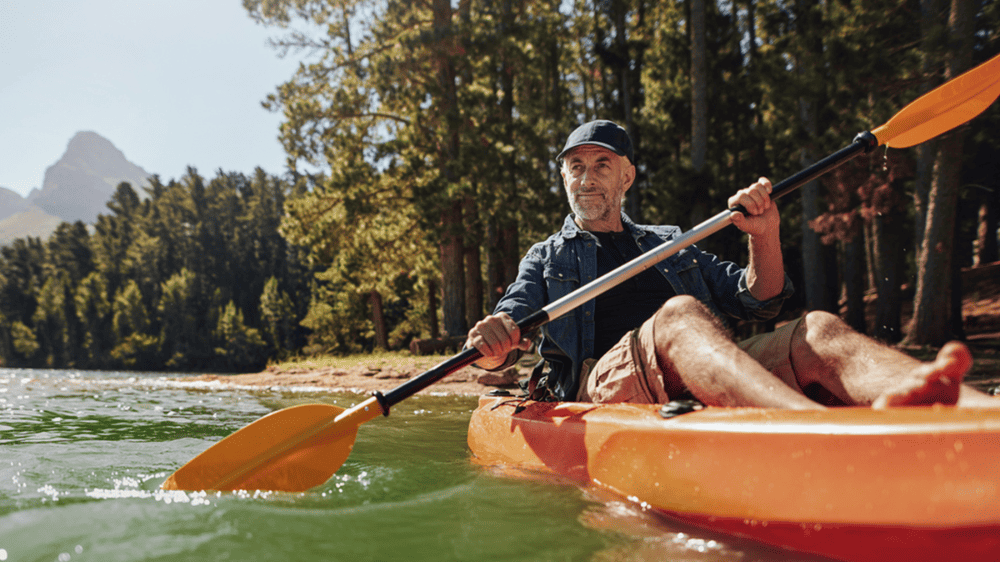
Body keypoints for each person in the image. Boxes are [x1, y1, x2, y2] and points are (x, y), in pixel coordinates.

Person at [466, 119, 997, 409]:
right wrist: (491, 344)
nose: (586, 177)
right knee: (678, 316)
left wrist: (764, 235)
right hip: (603, 384)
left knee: (817, 328)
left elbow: (761, 298)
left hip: (691, 373)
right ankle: (812, 434)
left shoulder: (670, 244)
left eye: (601, 164)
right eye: (576, 167)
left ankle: (975, 414)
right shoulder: (546, 257)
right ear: (564, 178)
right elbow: (500, 345)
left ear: (626, 177)